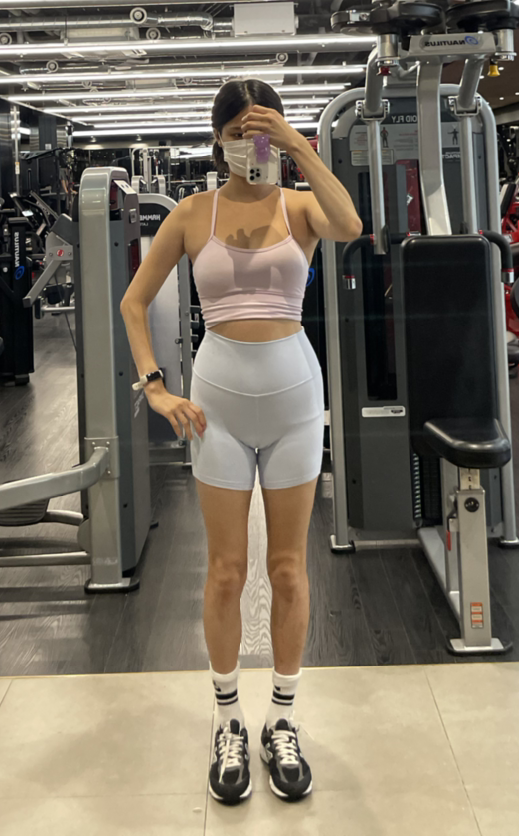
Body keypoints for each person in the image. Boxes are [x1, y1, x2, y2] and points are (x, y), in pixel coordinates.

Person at [120, 78, 362, 806]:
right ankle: (227, 718)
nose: (251, 148)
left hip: (294, 402)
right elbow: (134, 302)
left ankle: (281, 719)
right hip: (217, 408)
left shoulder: (302, 206)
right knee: (226, 572)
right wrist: (155, 386)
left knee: (288, 569)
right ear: (218, 140)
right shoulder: (193, 213)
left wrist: (298, 147)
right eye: (239, 135)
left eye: (262, 135)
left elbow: (350, 225)